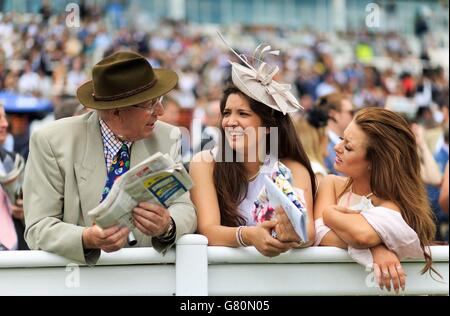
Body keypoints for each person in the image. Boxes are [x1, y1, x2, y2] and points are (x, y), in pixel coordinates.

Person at [23, 51, 197, 264]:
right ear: (116, 111)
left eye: (159, 100)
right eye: (150, 104)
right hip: (81, 283)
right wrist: (87, 238)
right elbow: (38, 227)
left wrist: (167, 225)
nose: (160, 111)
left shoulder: (168, 136)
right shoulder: (51, 141)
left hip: (148, 279)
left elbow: (184, 207)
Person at [190, 39, 316, 257]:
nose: (230, 122)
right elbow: (208, 230)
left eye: (243, 114)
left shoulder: (292, 169)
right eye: (227, 113)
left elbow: (308, 231)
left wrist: (289, 235)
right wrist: (249, 236)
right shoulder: (205, 163)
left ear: (268, 126)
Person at [314, 107, 438, 293]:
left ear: (374, 161)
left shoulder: (394, 204)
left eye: (348, 147)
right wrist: (376, 249)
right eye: (341, 139)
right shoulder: (330, 183)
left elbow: (362, 235)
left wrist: (329, 213)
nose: (336, 148)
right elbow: (318, 233)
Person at [0, 103, 28, 251]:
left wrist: (26, 211)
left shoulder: (14, 161)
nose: (5, 124)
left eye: (4, 117)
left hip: (17, 254)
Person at [316, 92, 354, 174]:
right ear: (333, 114)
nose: (353, 116)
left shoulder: (329, 141)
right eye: (350, 112)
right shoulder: (323, 144)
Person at [294, 108, 329, 185]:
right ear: (320, 138)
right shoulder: (317, 173)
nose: (328, 140)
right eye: (327, 136)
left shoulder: (290, 163)